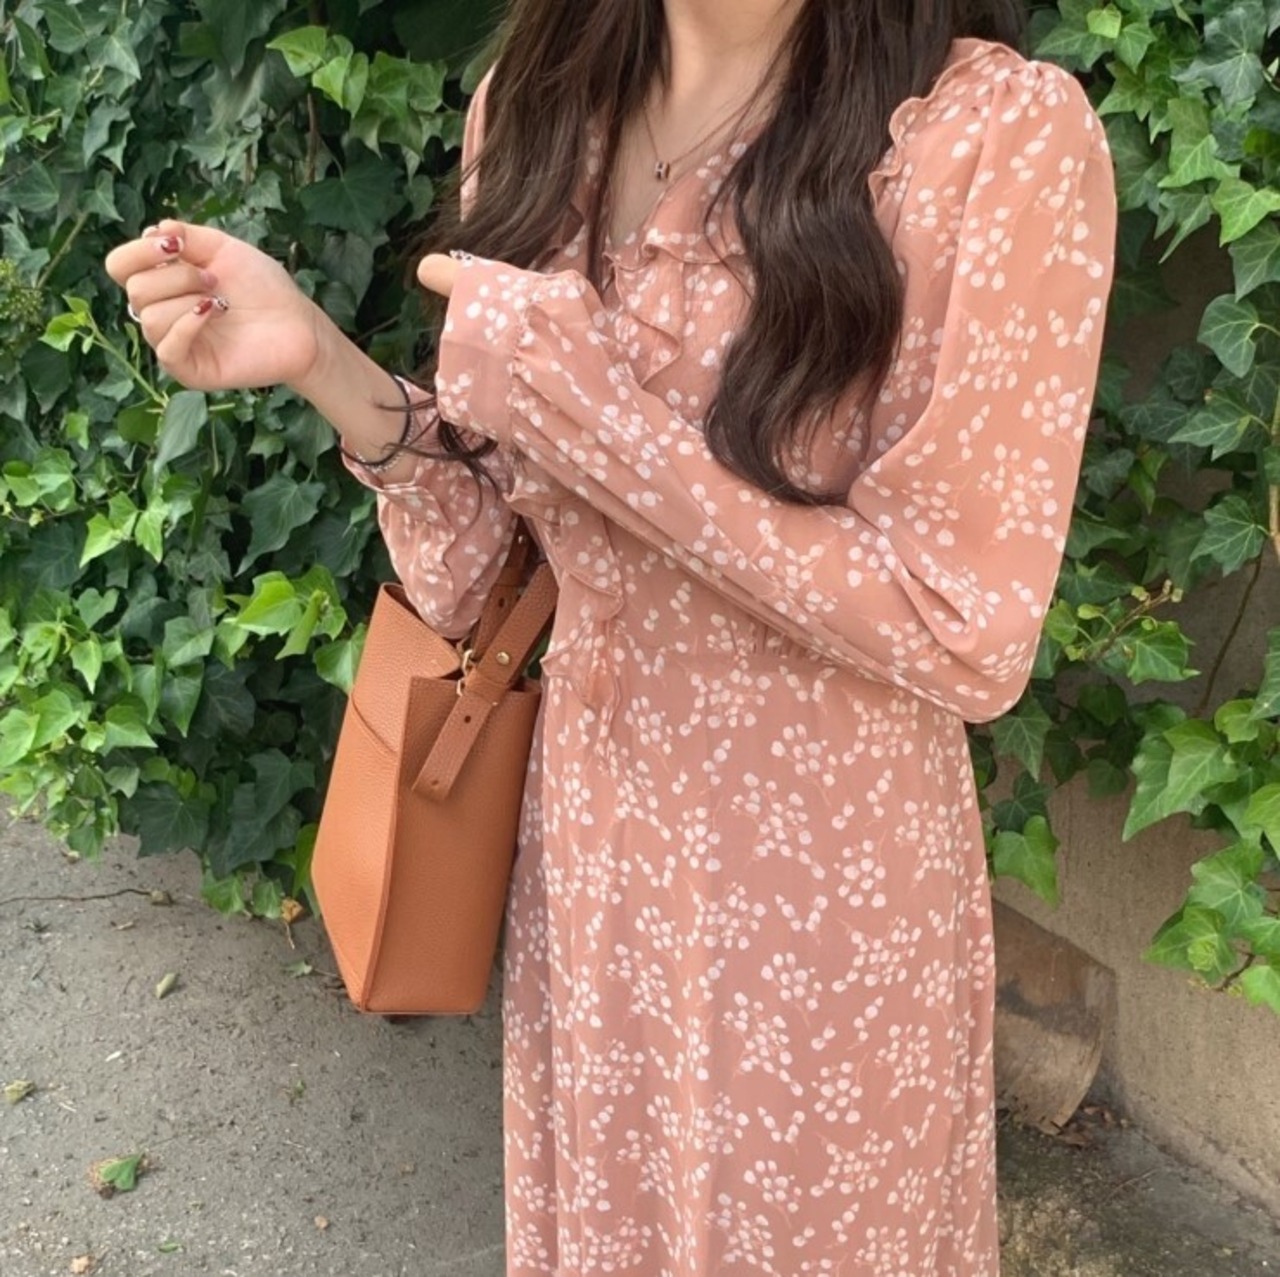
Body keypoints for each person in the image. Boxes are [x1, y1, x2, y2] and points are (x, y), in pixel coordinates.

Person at [106, 0, 1117, 1270]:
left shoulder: (993, 136)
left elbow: (963, 627)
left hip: (818, 904)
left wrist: (592, 414)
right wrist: (321, 360)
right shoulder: (536, 104)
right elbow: (497, 566)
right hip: (590, 857)